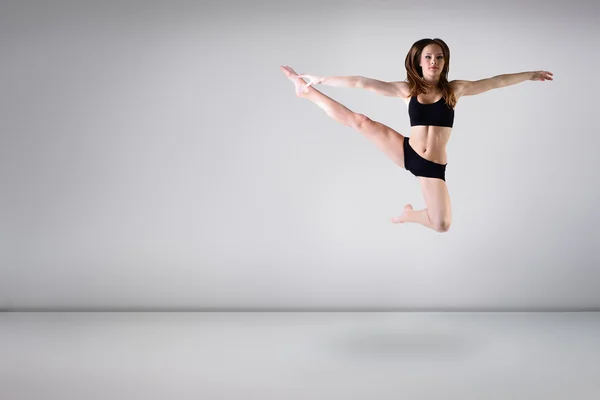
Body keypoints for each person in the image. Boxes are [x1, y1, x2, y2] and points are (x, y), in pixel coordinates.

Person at [280, 38, 553, 233]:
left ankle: (410, 215)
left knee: (442, 224)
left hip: (432, 167)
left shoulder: (454, 90)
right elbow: (361, 82)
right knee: (360, 121)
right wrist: (322, 79)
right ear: (419, 61)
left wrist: (530, 75)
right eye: (428, 57)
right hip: (407, 152)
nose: (434, 61)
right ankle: (306, 91)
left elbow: (496, 82)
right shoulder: (407, 90)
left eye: (439, 57)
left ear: (444, 62)